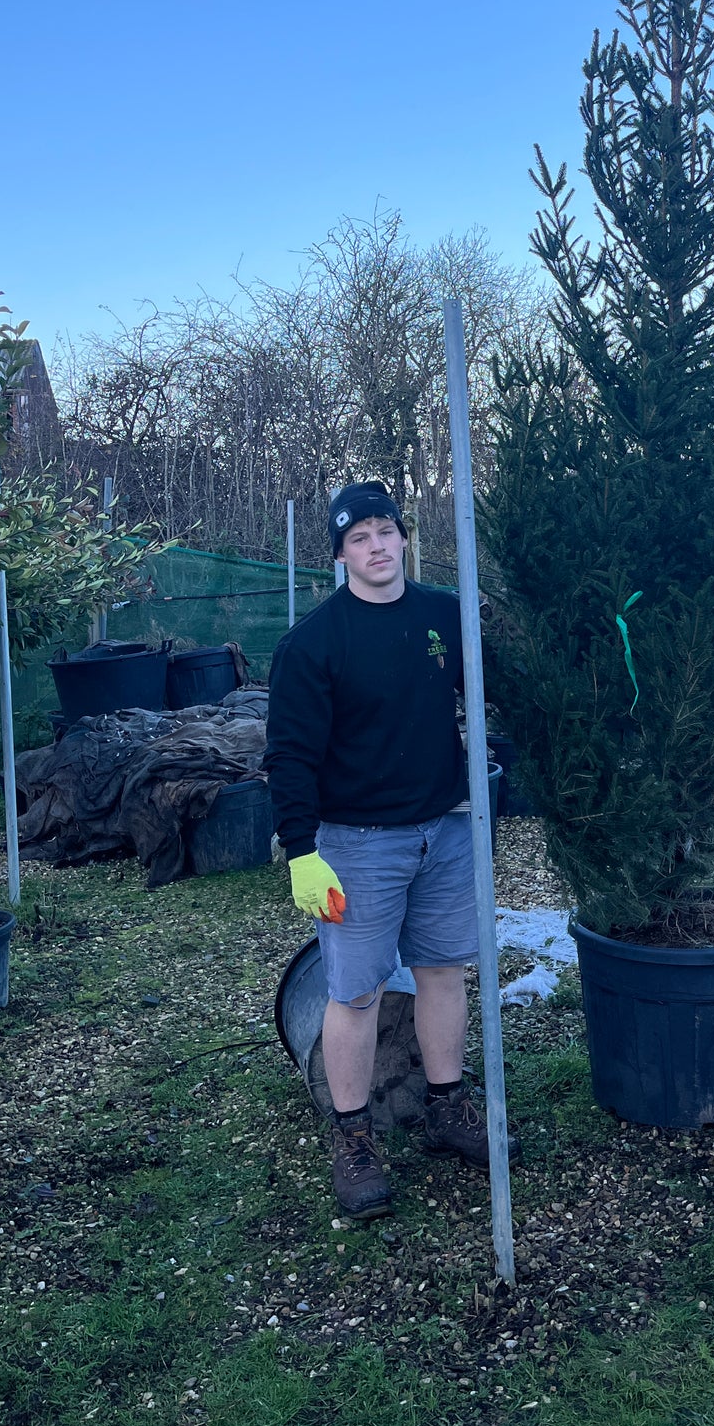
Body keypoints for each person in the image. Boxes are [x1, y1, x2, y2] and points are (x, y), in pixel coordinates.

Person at [264, 479, 513, 1219]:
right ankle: (353, 1136)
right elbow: (289, 756)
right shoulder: (313, 643)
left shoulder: (444, 614)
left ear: (403, 535)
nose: (375, 546)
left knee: (444, 970)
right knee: (357, 990)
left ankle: (446, 1106)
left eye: (384, 530)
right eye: (357, 538)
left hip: (444, 828)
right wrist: (304, 850)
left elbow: (494, 686)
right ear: (340, 555)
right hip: (356, 846)